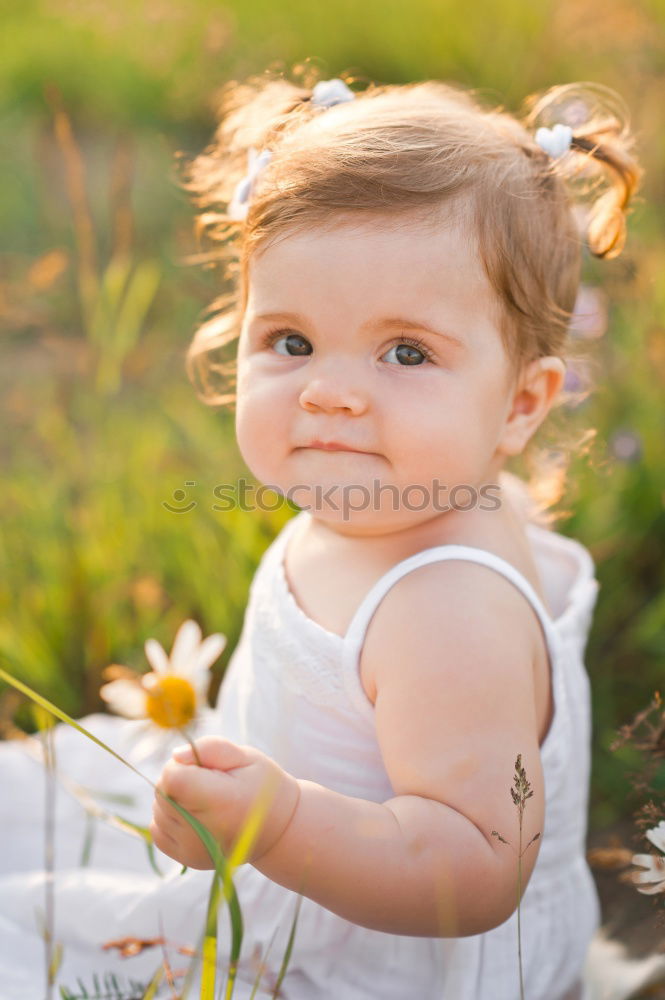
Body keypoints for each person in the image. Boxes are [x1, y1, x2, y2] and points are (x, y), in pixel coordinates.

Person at [0, 72, 641, 999]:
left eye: (406, 352)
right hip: (295, 870)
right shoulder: (407, 492)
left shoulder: (447, 608)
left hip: (367, 963)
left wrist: (283, 824)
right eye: (291, 341)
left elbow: (476, 867)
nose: (327, 391)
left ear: (521, 403)